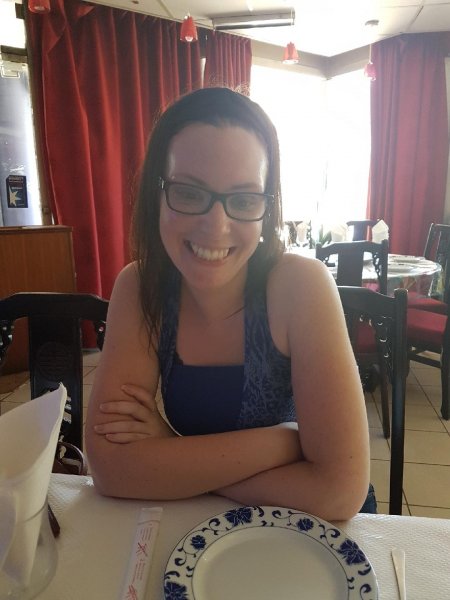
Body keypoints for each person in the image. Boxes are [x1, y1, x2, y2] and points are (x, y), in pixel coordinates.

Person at [85, 87, 373, 520]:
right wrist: (285, 442)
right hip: (203, 523)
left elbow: (338, 492)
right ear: (156, 194)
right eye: (189, 193)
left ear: (266, 208)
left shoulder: (300, 286)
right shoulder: (141, 287)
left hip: (307, 527)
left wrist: (172, 455)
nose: (216, 226)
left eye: (243, 199)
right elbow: (111, 468)